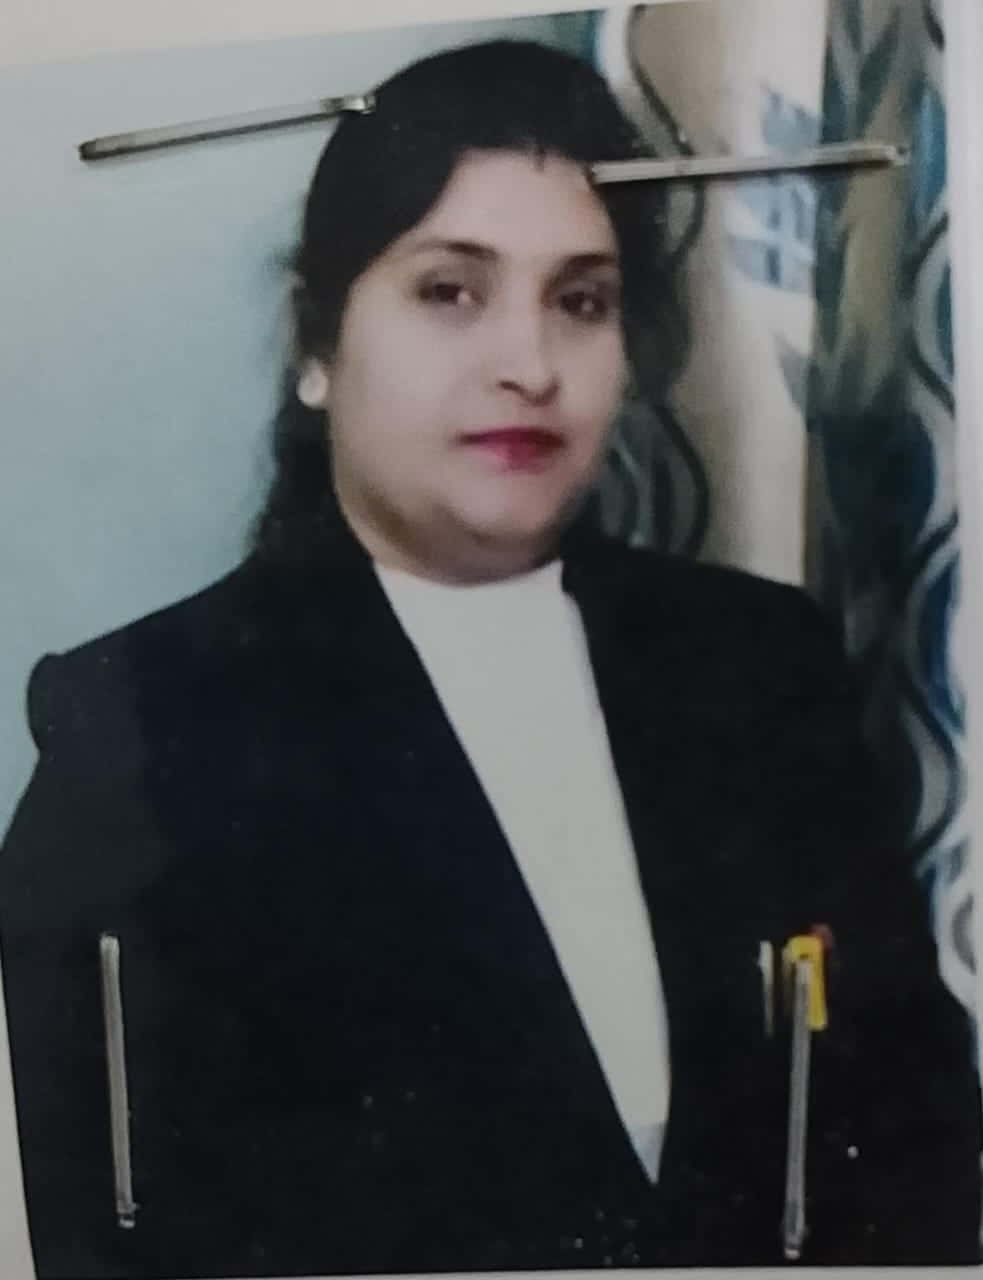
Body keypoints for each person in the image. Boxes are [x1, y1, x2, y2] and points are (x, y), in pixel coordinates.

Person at [0, 38, 979, 1280]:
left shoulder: (757, 660)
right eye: (449, 291)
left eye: (581, 300)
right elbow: (87, 1227)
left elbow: (917, 1143)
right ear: (316, 345)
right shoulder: (140, 719)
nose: (528, 363)